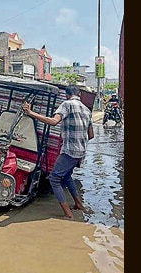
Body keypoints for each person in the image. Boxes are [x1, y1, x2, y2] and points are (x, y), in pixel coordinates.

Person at [22, 85, 91, 219]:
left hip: (69, 151)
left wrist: (31, 113)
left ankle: (68, 214)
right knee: (66, 176)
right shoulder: (87, 110)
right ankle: (78, 205)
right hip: (81, 152)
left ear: (66, 95)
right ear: (79, 95)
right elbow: (91, 135)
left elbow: (54, 122)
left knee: (54, 178)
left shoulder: (66, 104)